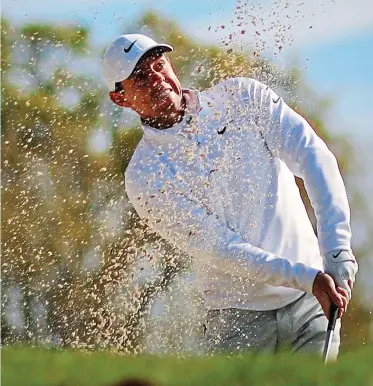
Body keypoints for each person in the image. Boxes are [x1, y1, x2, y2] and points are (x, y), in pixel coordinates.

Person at [103, 34, 358, 359]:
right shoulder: (144, 175)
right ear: (120, 98)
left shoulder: (242, 97)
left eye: (158, 64)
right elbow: (221, 249)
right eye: (139, 76)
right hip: (236, 320)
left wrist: (337, 251)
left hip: (311, 303)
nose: (156, 77)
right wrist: (308, 278)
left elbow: (314, 156)